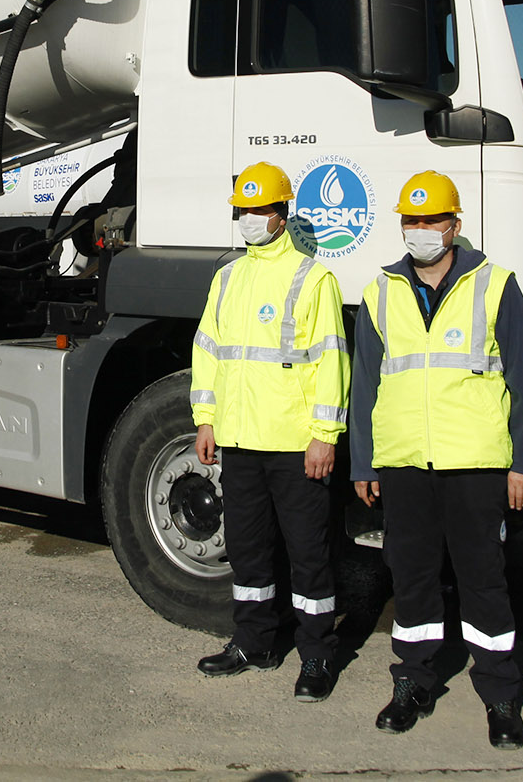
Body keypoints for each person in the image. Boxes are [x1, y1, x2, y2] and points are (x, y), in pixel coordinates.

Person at [348, 171, 523, 747]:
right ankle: (413, 680)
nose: (420, 231)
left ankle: (501, 692)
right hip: (405, 462)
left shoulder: (495, 284)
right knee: (410, 578)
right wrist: (363, 462)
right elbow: (365, 385)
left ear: (455, 225)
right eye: (411, 221)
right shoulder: (381, 290)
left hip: (475, 463)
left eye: (431, 220)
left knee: (482, 578)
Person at [189, 162, 349, 702]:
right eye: (243, 210)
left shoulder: (313, 276)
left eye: (259, 210)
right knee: (249, 551)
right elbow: (208, 351)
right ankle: (253, 641)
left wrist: (325, 435)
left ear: (282, 216)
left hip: (294, 445)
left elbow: (331, 361)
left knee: (308, 553)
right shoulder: (228, 276)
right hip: (237, 441)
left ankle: (316, 655)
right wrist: (205, 420)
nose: (249, 218)